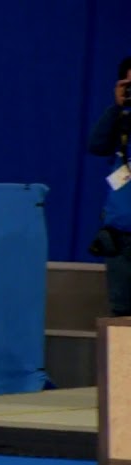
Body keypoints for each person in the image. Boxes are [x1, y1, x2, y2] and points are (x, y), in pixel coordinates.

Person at [87, 57, 131, 316]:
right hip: (121, 238)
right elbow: (96, 145)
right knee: (123, 318)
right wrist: (116, 108)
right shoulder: (121, 122)